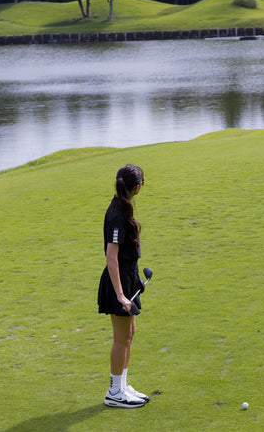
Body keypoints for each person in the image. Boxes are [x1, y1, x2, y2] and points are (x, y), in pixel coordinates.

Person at [98, 164, 149, 408]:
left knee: (129, 334)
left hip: (128, 277)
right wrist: (120, 294)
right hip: (117, 281)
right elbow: (111, 256)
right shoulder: (117, 213)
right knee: (121, 338)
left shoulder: (122, 205)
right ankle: (113, 393)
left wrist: (134, 278)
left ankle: (122, 386)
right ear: (136, 186)